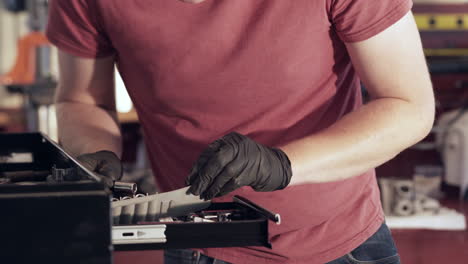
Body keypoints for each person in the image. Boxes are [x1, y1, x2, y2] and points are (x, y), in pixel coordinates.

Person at [46, 0, 434, 263]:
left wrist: (282, 163)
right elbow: (83, 100)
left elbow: (408, 105)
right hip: (195, 243)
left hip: (336, 243)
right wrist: (94, 152)